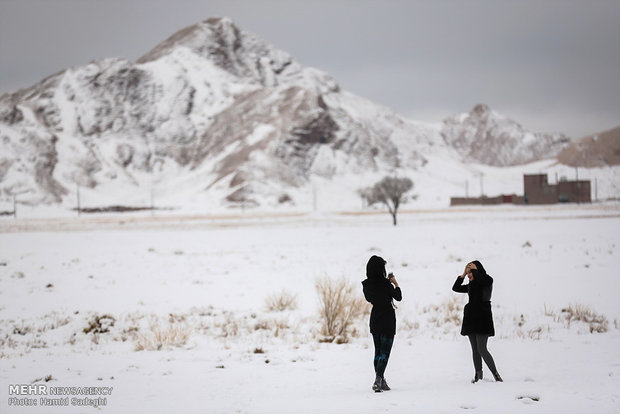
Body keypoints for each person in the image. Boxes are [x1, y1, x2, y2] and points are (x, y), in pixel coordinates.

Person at [452, 260, 503, 383]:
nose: (469, 274)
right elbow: (456, 288)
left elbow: (483, 280)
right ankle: (478, 376)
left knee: (482, 348)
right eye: (468, 272)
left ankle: (496, 375)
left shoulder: (487, 280)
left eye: (471, 271)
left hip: (483, 318)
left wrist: (475, 270)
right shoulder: (471, 285)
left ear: (478, 270)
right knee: (475, 349)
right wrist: (463, 275)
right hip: (471, 318)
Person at [362, 255, 402, 392]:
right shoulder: (386, 284)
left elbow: (369, 299)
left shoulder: (367, 285)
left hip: (375, 319)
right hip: (388, 320)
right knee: (385, 352)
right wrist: (395, 283)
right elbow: (398, 297)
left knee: (378, 352)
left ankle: (381, 380)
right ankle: (378, 379)